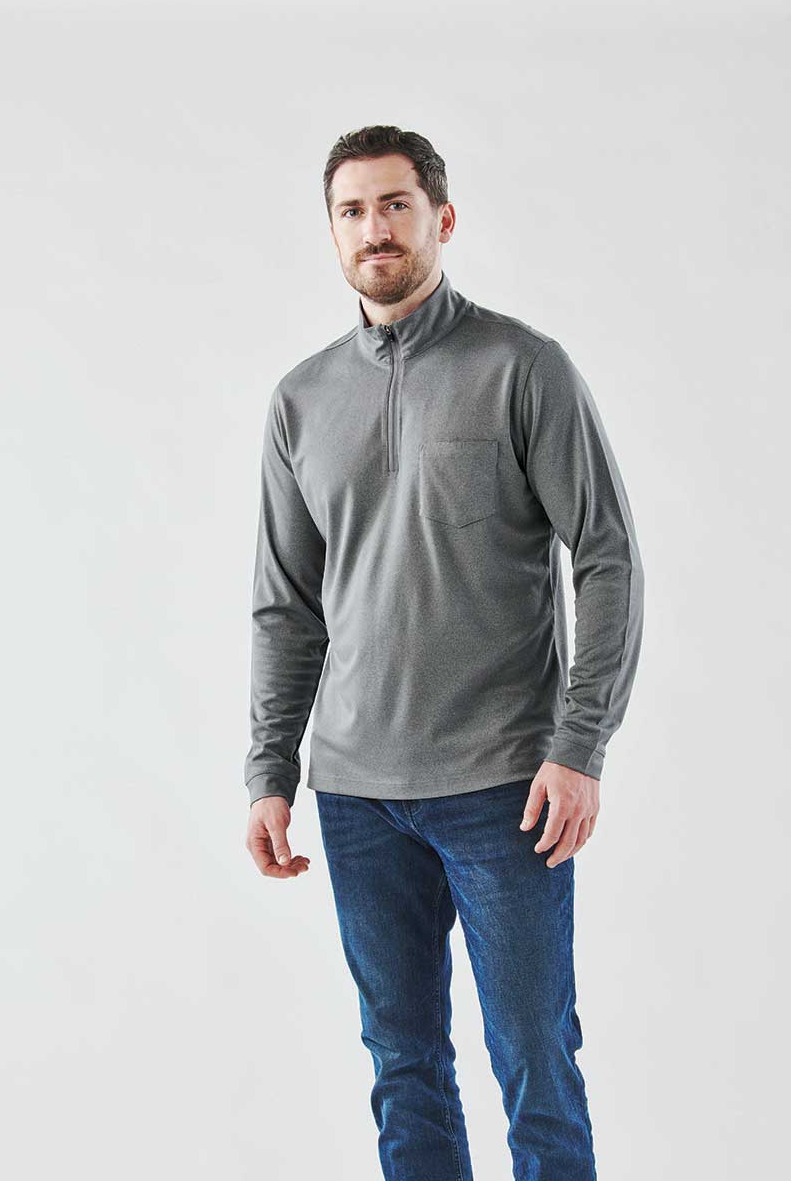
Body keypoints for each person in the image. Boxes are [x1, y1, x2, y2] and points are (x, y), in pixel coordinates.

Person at [243, 124, 645, 1181]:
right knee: (403, 1063)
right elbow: (286, 608)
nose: (373, 228)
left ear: (442, 219)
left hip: (505, 786)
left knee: (534, 1060)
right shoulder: (300, 401)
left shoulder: (521, 367)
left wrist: (580, 746)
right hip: (356, 795)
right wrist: (271, 771)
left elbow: (606, 556)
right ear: (332, 231)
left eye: (395, 205)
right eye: (352, 210)